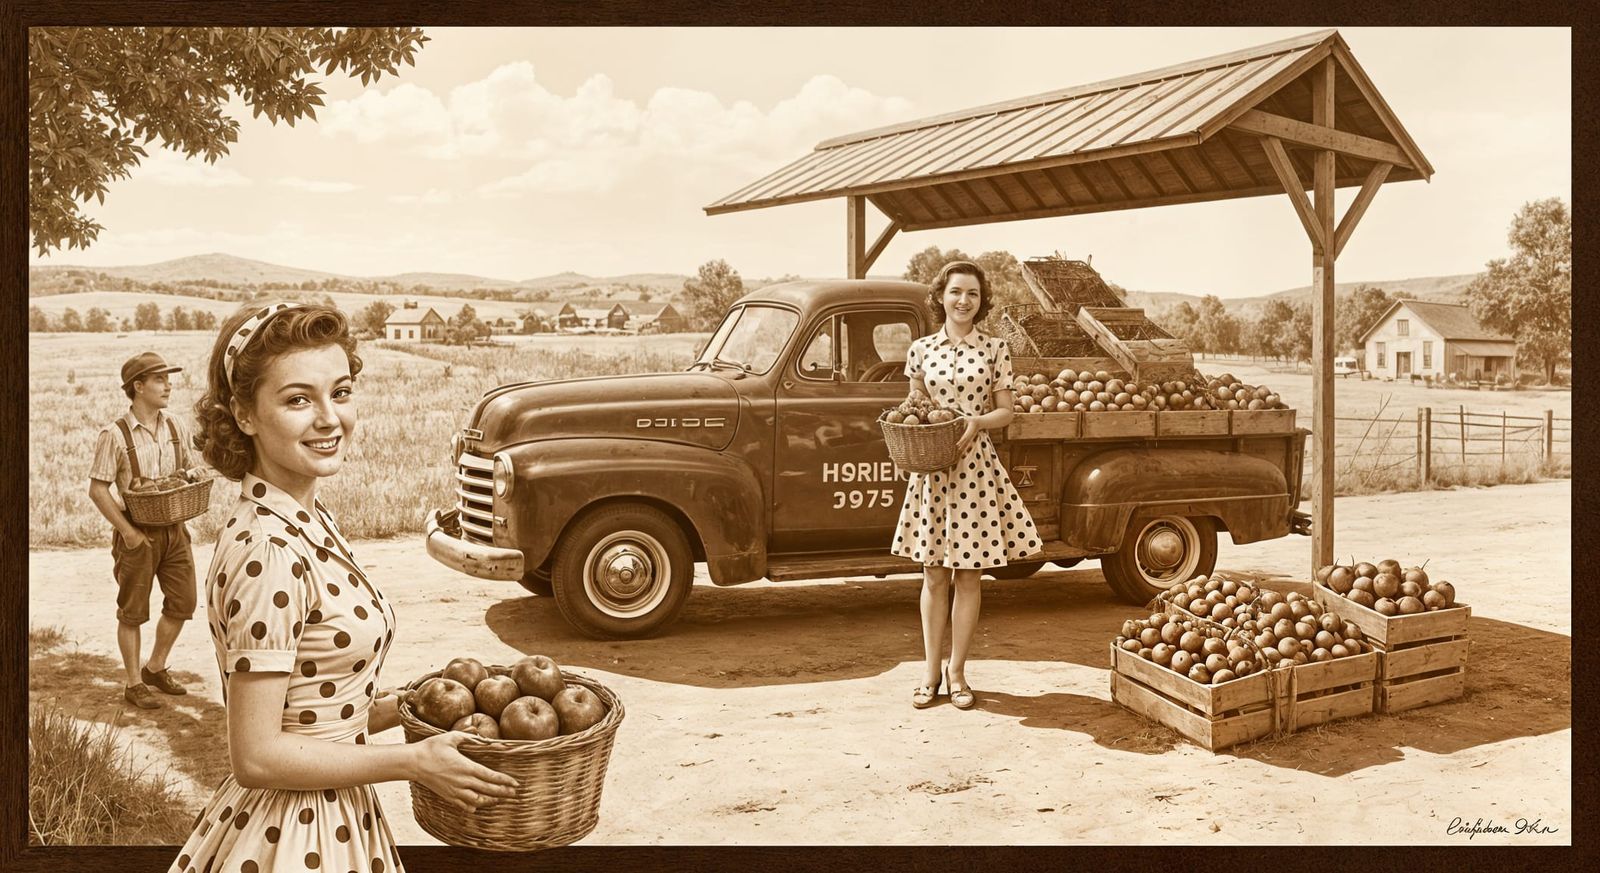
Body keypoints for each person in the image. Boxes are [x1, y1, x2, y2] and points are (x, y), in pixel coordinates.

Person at [169, 303, 516, 873]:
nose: (330, 419)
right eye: (298, 399)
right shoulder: (269, 549)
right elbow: (256, 757)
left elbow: (310, 712)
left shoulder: (306, 517)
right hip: (294, 835)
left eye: (342, 392)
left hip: (336, 813)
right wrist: (411, 761)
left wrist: (407, 706)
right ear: (244, 414)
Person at [890, 262, 1042, 710]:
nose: (963, 300)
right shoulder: (920, 350)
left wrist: (977, 422)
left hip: (975, 469)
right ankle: (929, 671)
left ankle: (958, 673)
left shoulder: (995, 349)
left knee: (969, 574)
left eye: (972, 294)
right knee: (934, 573)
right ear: (941, 297)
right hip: (932, 469)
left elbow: (1007, 411)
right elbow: (913, 405)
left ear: (981, 301)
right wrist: (908, 433)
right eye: (956, 292)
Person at [88, 351, 200, 710]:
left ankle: (154, 668)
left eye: (168, 378)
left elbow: (187, 468)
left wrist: (193, 474)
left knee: (184, 603)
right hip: (137, 532)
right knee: (133, 612)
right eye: (159, 379)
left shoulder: (175, 426)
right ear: (138, 387)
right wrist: (129, 533)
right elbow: (98, 489)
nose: (168, 385)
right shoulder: (115, 435)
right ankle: (133, 683)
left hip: (175, 528)